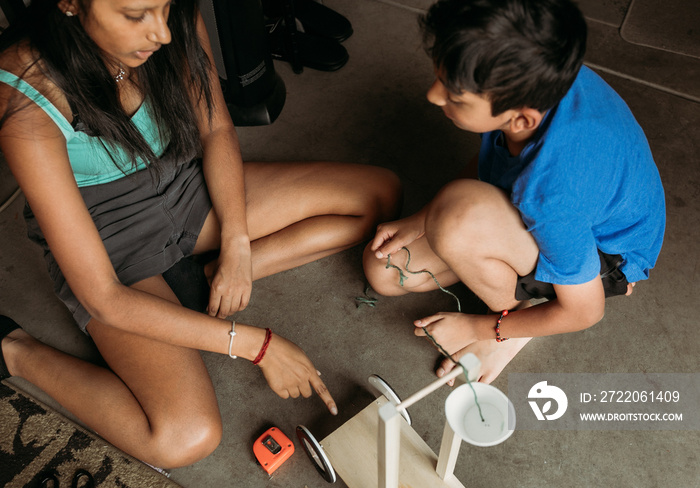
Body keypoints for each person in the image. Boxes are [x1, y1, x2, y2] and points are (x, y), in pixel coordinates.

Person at [0, 0, 401, 469]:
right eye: (136, 16)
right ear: (69, 2)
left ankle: (206, 276)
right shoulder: (23, 89)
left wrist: (237, 245)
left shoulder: (170, 17)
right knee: (184, 437)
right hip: (112, 242)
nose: (162, 34)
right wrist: (254, 345)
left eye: (164, 9)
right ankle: (15, 351)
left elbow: (214, 130)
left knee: (379, 196)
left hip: (188, 187)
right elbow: (104, 298)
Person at [363, 0, 665, 384]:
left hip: (604, 257)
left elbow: (586, 312)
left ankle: (518, 321)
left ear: (521, 119)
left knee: (458, 214)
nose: (433, 95)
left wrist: (483, 329)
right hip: (568, 211)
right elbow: (500, 160)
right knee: (385, 272)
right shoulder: (527, 77)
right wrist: (421, 219)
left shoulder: (553, 193)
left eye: (454, 96)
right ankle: (519, 306)